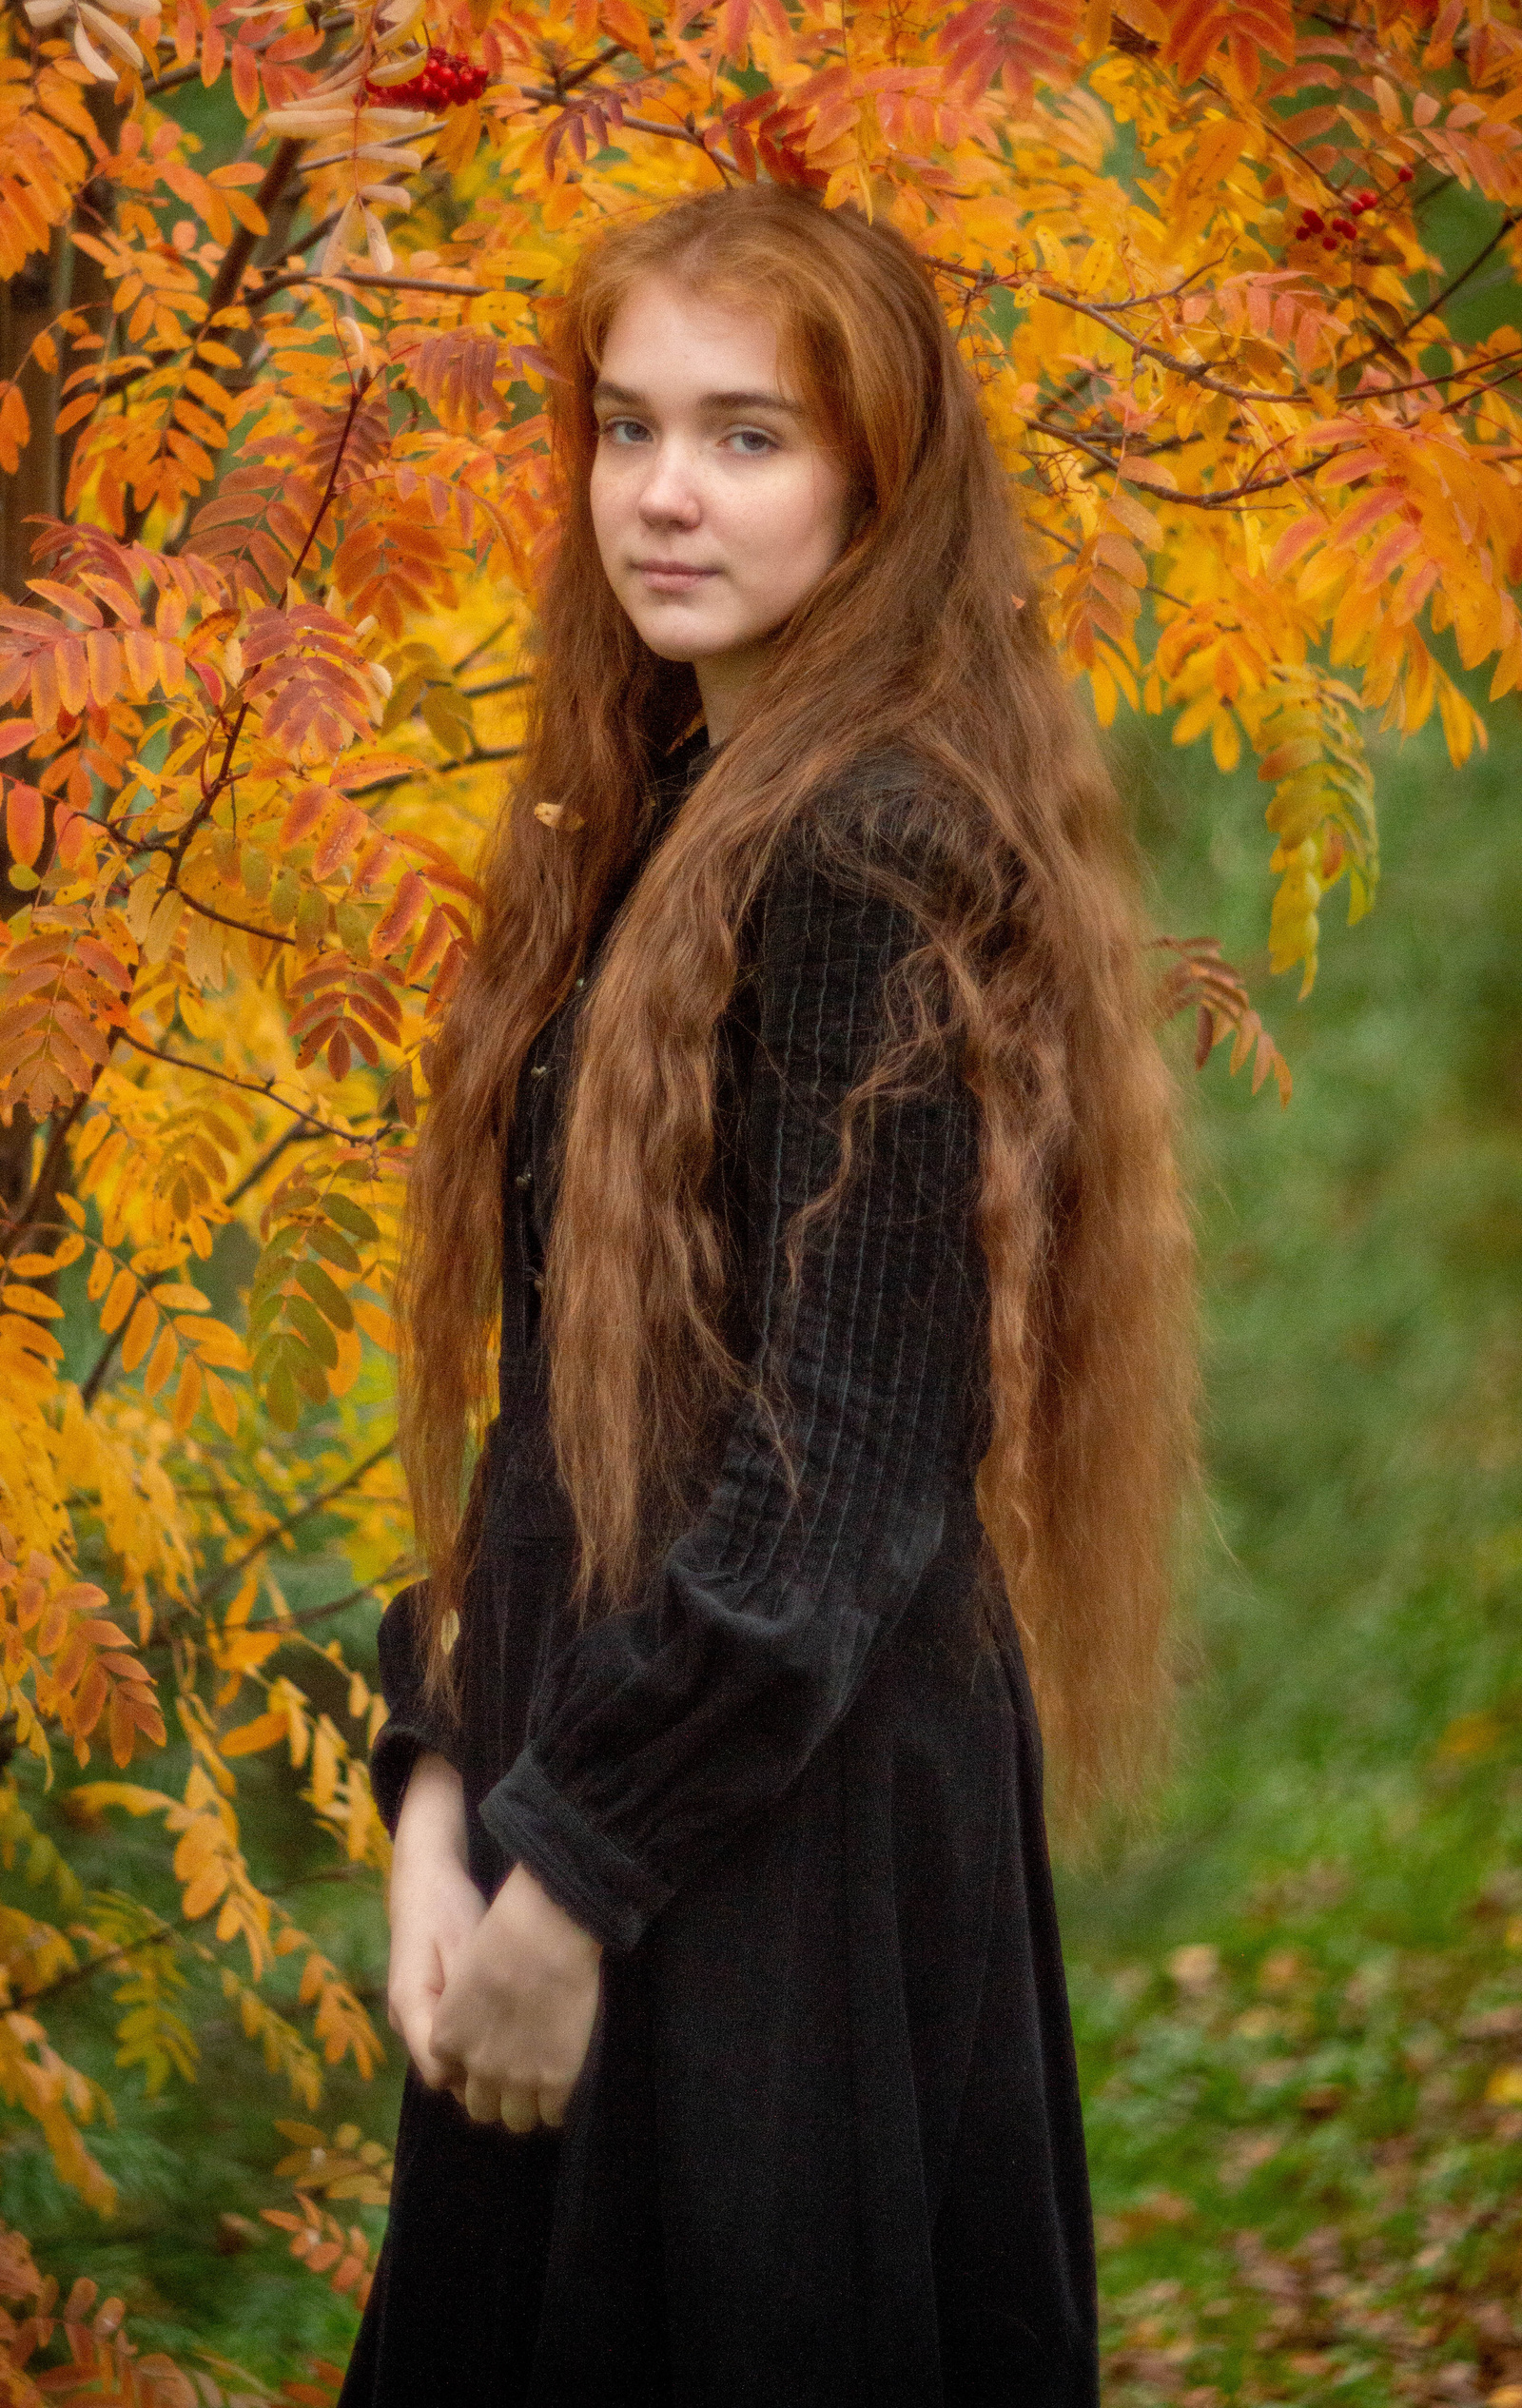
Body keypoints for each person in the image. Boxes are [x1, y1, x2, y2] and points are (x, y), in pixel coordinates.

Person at [340, 184, 1193, 2406]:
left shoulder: (873, 847)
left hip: (765, 1840)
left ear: (876, 485)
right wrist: (446, 1777)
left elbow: (840, 1476)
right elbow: (568, 1409)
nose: (662, 493)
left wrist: (570, 1875)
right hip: (600, 1779)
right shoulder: (657, 812)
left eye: (746, 436)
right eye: (627, 426)